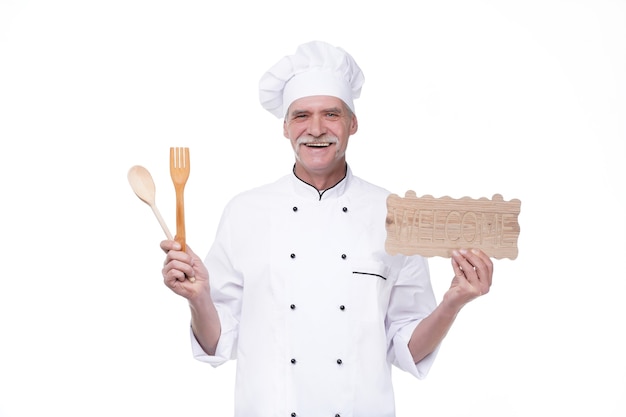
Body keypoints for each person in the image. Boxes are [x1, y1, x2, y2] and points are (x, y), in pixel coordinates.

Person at [160, 40, 493, 417]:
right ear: (285, 127)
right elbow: (218, 343)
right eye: (301, 116)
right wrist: (199, 298)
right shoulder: (245, 212)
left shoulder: (396, 215)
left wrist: (453, 303)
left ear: (353, 123)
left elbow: (408, 347)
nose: (315, 129)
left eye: (331, 114)